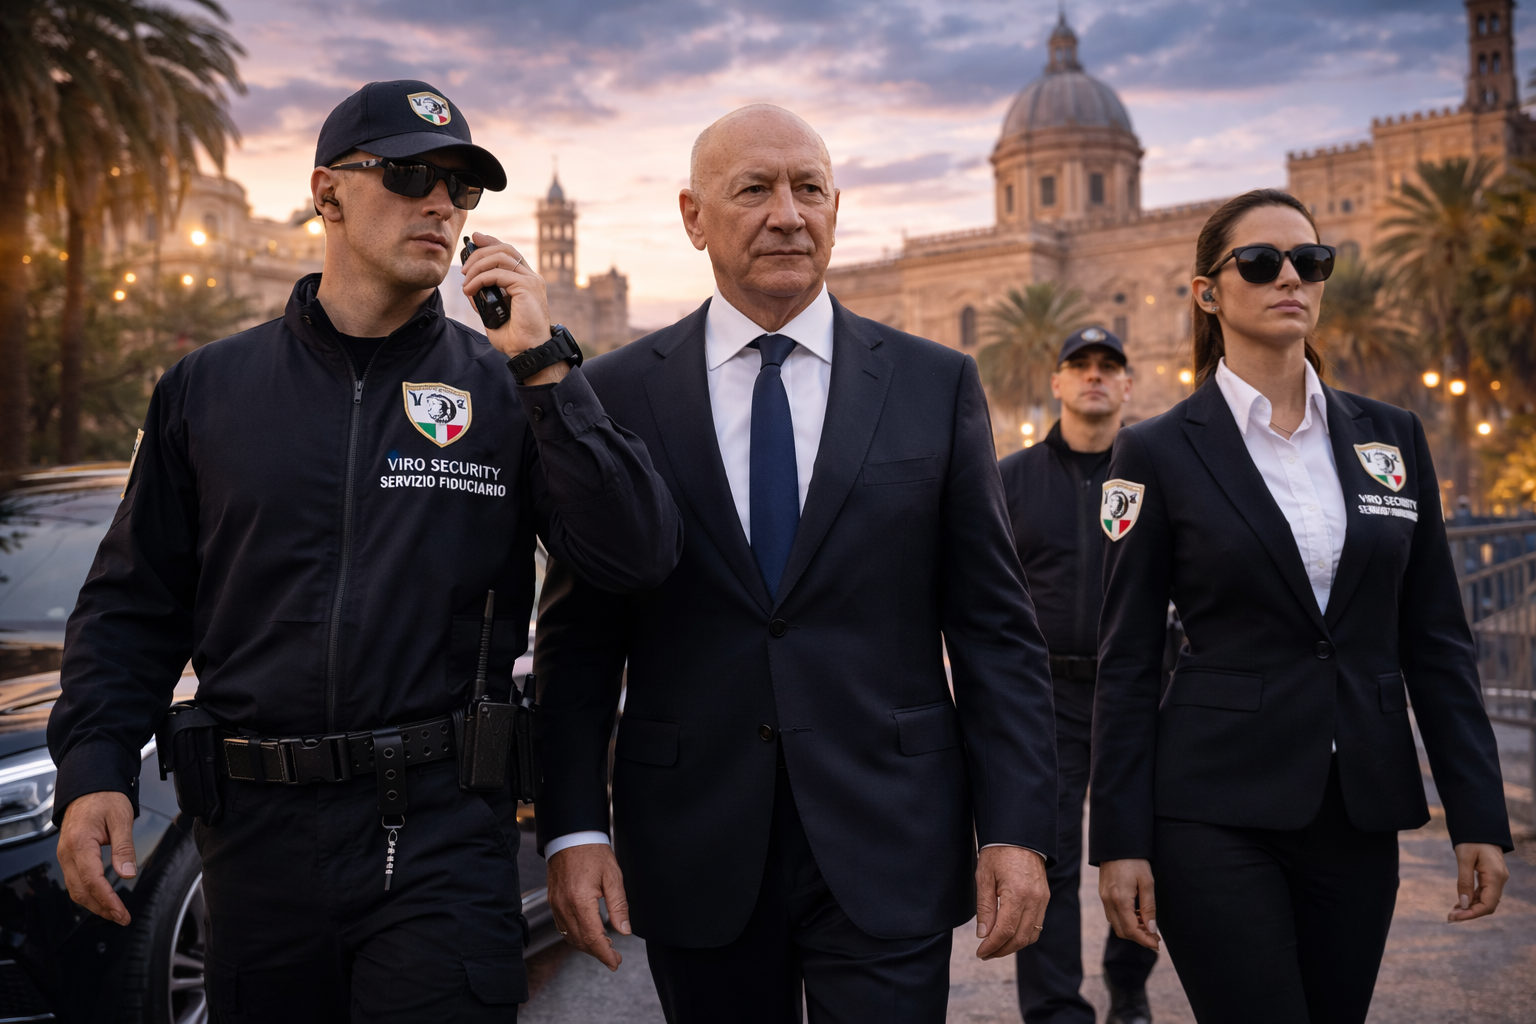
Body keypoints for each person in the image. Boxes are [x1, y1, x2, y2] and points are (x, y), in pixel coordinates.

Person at [47, 79, 682, 1020]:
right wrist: (94, 763)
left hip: (440, 842)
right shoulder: (207, 389)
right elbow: (134, 601)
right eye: (412, 173)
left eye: (462, 189)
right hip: (254, 849)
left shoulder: (506, 388)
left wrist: (548, 367)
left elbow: (637, 556)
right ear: (327, 192)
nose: (442, 203)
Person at [532, 104, 1060, 1023]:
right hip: (695, 845)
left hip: (890, 837)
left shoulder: (934, 385)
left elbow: (993, 629)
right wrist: (574, 827)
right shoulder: (612, 396)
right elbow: (578, 636)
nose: (788, 213)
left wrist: (1016, 829)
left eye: (809, 188)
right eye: (754, 190)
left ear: (835, 206)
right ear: (694, 217)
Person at [1090, 188, 1512, 1024]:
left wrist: (1479, 815)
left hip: (1359, 808)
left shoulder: (1391, 437)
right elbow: (1129, 660)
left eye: (1310, 261)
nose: (1291, 277)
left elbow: (1436, 642)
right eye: (1261, 262)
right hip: (1212, 810)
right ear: (1208, 291)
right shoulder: (1156, 450)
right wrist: (1120, 840)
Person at [998, 327, 1158, 1024]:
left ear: (1128, 386)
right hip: (1046, 698)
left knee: (1145, 849)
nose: (1094, 377)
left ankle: (1129, 980)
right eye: (1079, 367)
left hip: (1144, 694)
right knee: (1049, 858)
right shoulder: (1009, 479)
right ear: (1057, 383)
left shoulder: (1161, 475)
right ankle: (1056, 1011)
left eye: (1108, 368)